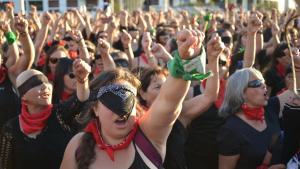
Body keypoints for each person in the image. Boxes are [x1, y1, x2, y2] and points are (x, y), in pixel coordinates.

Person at [59, 29, 215, 169]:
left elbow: (169, 101)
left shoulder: (149, 136)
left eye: (127, 100)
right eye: (112, 101)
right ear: (95, 109)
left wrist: (184, 59)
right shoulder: (78, 145)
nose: (121, 111)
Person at [0, 59, 91, 169]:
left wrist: (82, 80)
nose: (44, 87)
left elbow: (80, 100)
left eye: (46, 82)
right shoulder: (11, 128)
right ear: (23, 97)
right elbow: (5, 165)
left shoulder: (60, 114)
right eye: (35, 84)